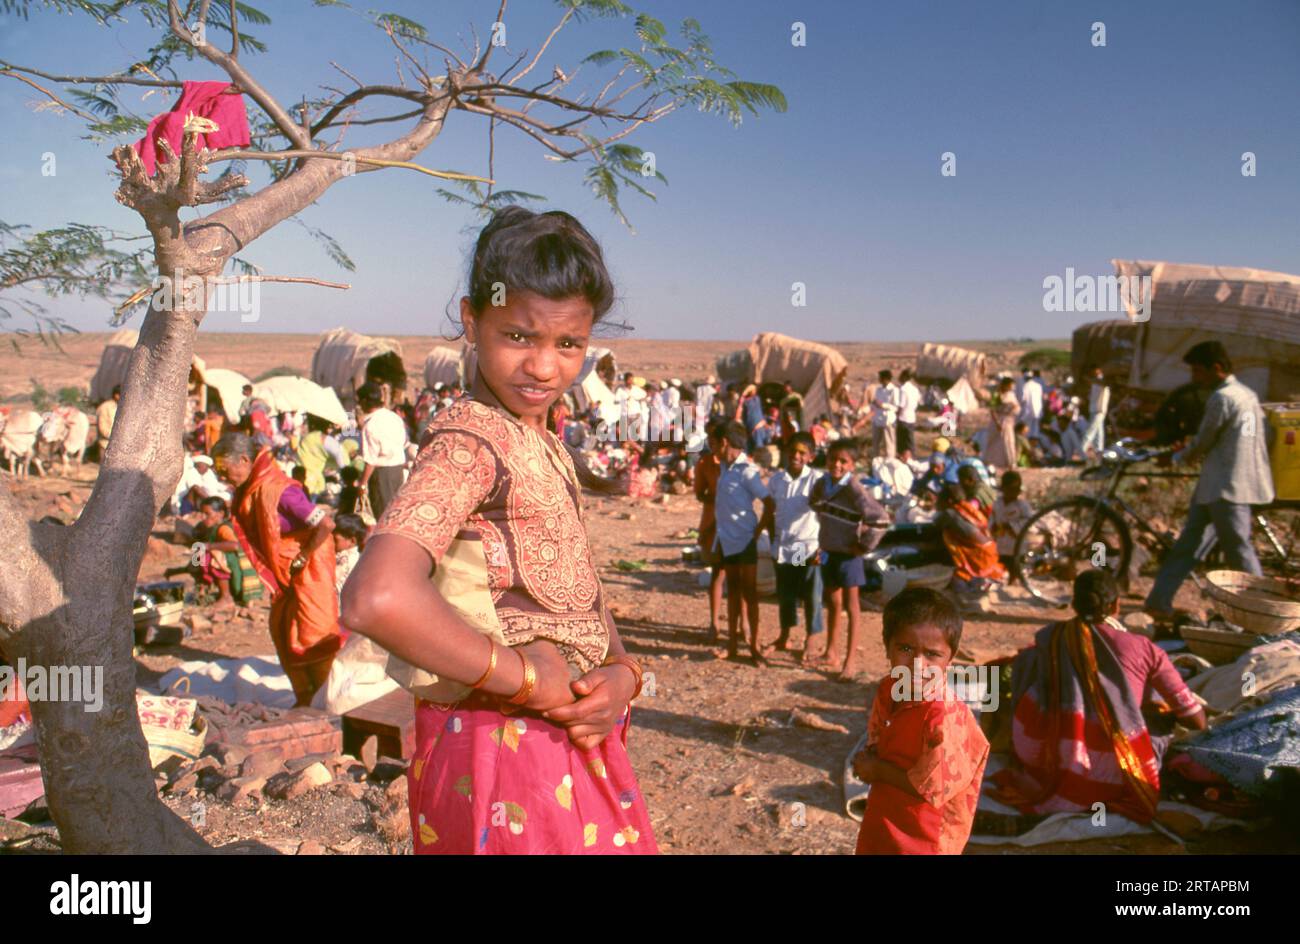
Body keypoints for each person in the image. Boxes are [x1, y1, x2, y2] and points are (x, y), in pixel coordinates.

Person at [340, 207, 656, 855]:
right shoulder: (469, 443)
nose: (543, 367)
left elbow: (576, 592)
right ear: (471, 320)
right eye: (518, 336)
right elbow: (377, 597)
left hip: (563, 743)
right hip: (499, 751)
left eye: (568, 345)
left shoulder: (542, 441)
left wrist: (623, 671)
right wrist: (522, 677)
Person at [994, 571, 1206, 823]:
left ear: (1074, 604)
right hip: (1113, 769)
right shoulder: (1145, 648)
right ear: (1115, 606)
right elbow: (1196, 721)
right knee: (1155, 723)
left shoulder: (1049, 638)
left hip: (1043, 758)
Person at [852, 587, 989, 854]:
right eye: (905, 648)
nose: (917, 664)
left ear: (951, 658)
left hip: (925, 834)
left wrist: (877, 771)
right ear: (887, 647)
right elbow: (879, 737)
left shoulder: (942, 715)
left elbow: (933, 788)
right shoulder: (889, 689)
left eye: (932, 654)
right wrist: (871, 759)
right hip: (886, 814)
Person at [1145, 342, 1275, 620]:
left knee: (1238, 551)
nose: (1195, 378)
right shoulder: (1247, 394)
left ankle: (1263, 611)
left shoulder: (1221, 398)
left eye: (1198, 371)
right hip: (1223, 485)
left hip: (1226, 487)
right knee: (1190, 546)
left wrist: (1176, 458)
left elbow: (1204, 440)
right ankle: (1158, 601)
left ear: (1216, 368)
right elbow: (1266, 433)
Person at [212, 431, 341, 705]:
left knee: (313, 633)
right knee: (282, 629)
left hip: (308, 569)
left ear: (244, 460)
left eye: (224, 470)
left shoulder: (281, 491)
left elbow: (325, 524)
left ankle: (324, 701)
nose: (222, 477)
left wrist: (303, 555)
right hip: (286, 573)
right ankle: (304, 698)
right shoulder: (249, 491)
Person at [809, 439, 889, 679]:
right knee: (833, 602)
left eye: (843, 461)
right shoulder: (823, 483)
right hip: (828, 551)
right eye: (833, 459)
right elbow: (813, 503)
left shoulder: (854, 489)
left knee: (852, 607)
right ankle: (831, 652)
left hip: (848, 556)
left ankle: (850, 661)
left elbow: (880, 519)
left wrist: (863, 545)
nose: (837, 465)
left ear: (852, 465)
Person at [713, 419, 774, 663]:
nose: (712, 448)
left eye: (713, 444)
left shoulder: (747, 471)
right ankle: (732, 646)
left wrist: (757, 532)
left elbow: (769, 503)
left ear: (724, 442)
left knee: (750, 593)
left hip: (745, 540)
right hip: (727, 540)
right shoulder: (724, 468)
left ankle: (754, 647)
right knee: (734, 592)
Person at [766, 432, 824, 656]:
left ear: (810, 456)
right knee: (786, 593)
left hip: (804, 547)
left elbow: (824, 514)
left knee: (810, 592)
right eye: (793, 451)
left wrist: (822, 546)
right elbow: (770, 512)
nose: (796, 456)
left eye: (802, 453)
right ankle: (785, 635)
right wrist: (773, 540)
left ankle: (811, 637)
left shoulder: (815, 481)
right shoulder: (777, 481)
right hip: (783, 546)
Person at [939, 466, 1007, 593]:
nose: (960, 483)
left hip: (985, 553)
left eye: (961, 480)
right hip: (992, 545)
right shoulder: (969, 502)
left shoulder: (957, 509)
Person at [693, 419, 727, 640]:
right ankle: (714, 623)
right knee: (717, 573)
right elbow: (700, 493)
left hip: (733, 525)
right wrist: (717, 498)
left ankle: (741, 625)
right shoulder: (705, 463)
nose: (712, 443)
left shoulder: (738, 463)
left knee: (738, 577)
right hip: (713, 523)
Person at [356, 381, 409, 519]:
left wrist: (362, 484)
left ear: (365, 401)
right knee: (396, 514)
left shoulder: (371, 425)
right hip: (398, 470)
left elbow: (371, 460)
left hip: (382, 475)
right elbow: (404, 442)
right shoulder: (394, 417)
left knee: (383, 516)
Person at [297, 414, 349, 498]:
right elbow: (340, 456)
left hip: (301, 479)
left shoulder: (306, 439)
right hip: (314, 482)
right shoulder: (325, 439)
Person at [991, 470, 1033, 567]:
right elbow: (992, 518)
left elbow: (1028, 522)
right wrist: (993, 526)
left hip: (1016, 546)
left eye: (1016, 489)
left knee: (1016, 566)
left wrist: (1011, 526)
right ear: (1004, 489)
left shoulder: (1023, 505)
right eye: (1010, 489)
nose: (1013, 492)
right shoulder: (997, 503)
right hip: (1000, 545)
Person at [980, 376, 1019, 472]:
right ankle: (990, 461)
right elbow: (992, 409)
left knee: (1009, 441)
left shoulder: (1011, 394)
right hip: (999, 419)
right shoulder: (997, 395)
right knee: (994, 440)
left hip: (1009, 420)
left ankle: (1010, 462)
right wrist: (997, 422)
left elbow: (1016, 406)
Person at [332, 513, 367, 604]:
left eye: (335, 540)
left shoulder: (348, 560)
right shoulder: (343, 555)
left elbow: (333, 583)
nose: (330, 542)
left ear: (352, 541)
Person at [870, 369, 900, 460]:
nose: (879, 379)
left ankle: (890, 461)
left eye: (880, 378)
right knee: (876, 443)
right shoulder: (878, 389)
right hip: (877, 419)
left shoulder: (894, 390)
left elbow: (895, 407)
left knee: (889, 444)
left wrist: (883, 405)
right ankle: (876, 461)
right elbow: (875, 402)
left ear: (886, 379)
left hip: (888, 421)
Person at [1081, 365, 1110, 457]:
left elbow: (1102, 383)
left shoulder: (1102, 380)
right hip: (1094, 408)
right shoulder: (1095, 381)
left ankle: (1082, 450)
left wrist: (1088, 379)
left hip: (1099, 409)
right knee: (1099, 432)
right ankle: (1099, 450)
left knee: (1090, 431)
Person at [896, 368, 921, 456]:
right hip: (911, 418)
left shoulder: (903, 389)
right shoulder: (915, 389)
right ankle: (911, 457)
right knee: (910, 441)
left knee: (901, 443)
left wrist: (896, 416)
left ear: (904, 377)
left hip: (903, 418)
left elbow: (901, 405)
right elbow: (918, 403)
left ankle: (903, 458)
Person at [95, 385, 120, 456]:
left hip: (118, 446)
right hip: (105, 445)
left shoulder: (119, 407)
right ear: (116, 395)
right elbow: (102, 428)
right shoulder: (105, 407)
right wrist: (116, 437)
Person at [1020, 369, 1044, 439]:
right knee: (1035, 429)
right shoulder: (1038, 386)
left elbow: (1023, 399)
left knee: (1027, 430)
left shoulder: (1025, 386)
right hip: (1038, 411)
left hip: (1028, 412)